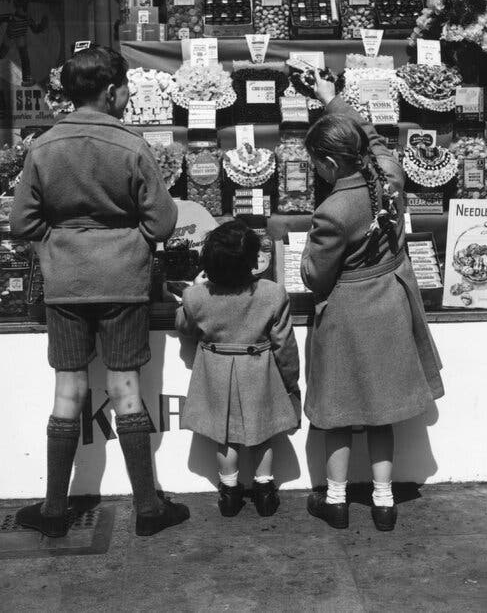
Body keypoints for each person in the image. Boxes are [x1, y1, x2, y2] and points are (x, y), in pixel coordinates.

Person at [10, 46, 189, 538]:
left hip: (65, 284)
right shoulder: (131, 145)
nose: (129, 97)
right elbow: (163, 222)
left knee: (67, 391)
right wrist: (127, 241)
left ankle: (52, 512)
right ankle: (149, 509)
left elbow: (22, 221)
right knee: (125, 387)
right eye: (126, 88)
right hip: (123, 282)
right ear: (111, 92)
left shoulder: (43, 146)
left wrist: (57, 244)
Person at [301, 72, 444, 532]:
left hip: (347, 311)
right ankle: (384, 502)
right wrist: (332, 100)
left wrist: (304, 258)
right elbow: (373, 138)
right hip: (388, 301)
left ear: (326, 163)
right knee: (383, 411)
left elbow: (315, 275)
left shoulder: (333, 212)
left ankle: (337, 500)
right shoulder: (388, 175)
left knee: (338, 413)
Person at [176, 220, 300, 518]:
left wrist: (192, 291)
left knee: (225, 437)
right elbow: (284, 345)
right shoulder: (273, 293)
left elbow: (184, 327)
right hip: (259, 371)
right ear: (252, 260)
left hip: (216, 374)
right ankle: (265, 493)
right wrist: (291, 381)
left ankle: (230, 495)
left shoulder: (196, 297)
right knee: (262, 435)